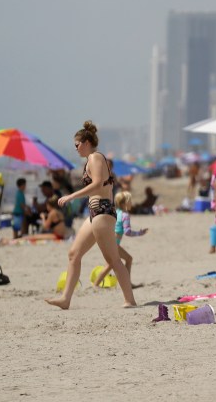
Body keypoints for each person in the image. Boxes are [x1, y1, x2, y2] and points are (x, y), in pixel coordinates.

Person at [46, 121, 137, 309]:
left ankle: (130, 300)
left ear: (86, 142)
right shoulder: (92, 160)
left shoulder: (95, 157)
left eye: (77, 144)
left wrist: (72, 196)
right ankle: (66, 299)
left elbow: (97, 184)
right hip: (95, 214)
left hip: (103, 211)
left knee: (112, 259)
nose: (76, 148)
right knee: (74, 254)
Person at [91, 191, 148, 287]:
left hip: (107, 242)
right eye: (130, 201)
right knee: (129, 259)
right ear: (124, 203)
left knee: (110, 264)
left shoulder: (115, 212)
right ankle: (128, 284)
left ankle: (95, 285)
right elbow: (127, 232)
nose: (131, 203)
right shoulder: (125, 215)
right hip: (114, 244)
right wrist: (139, 233)